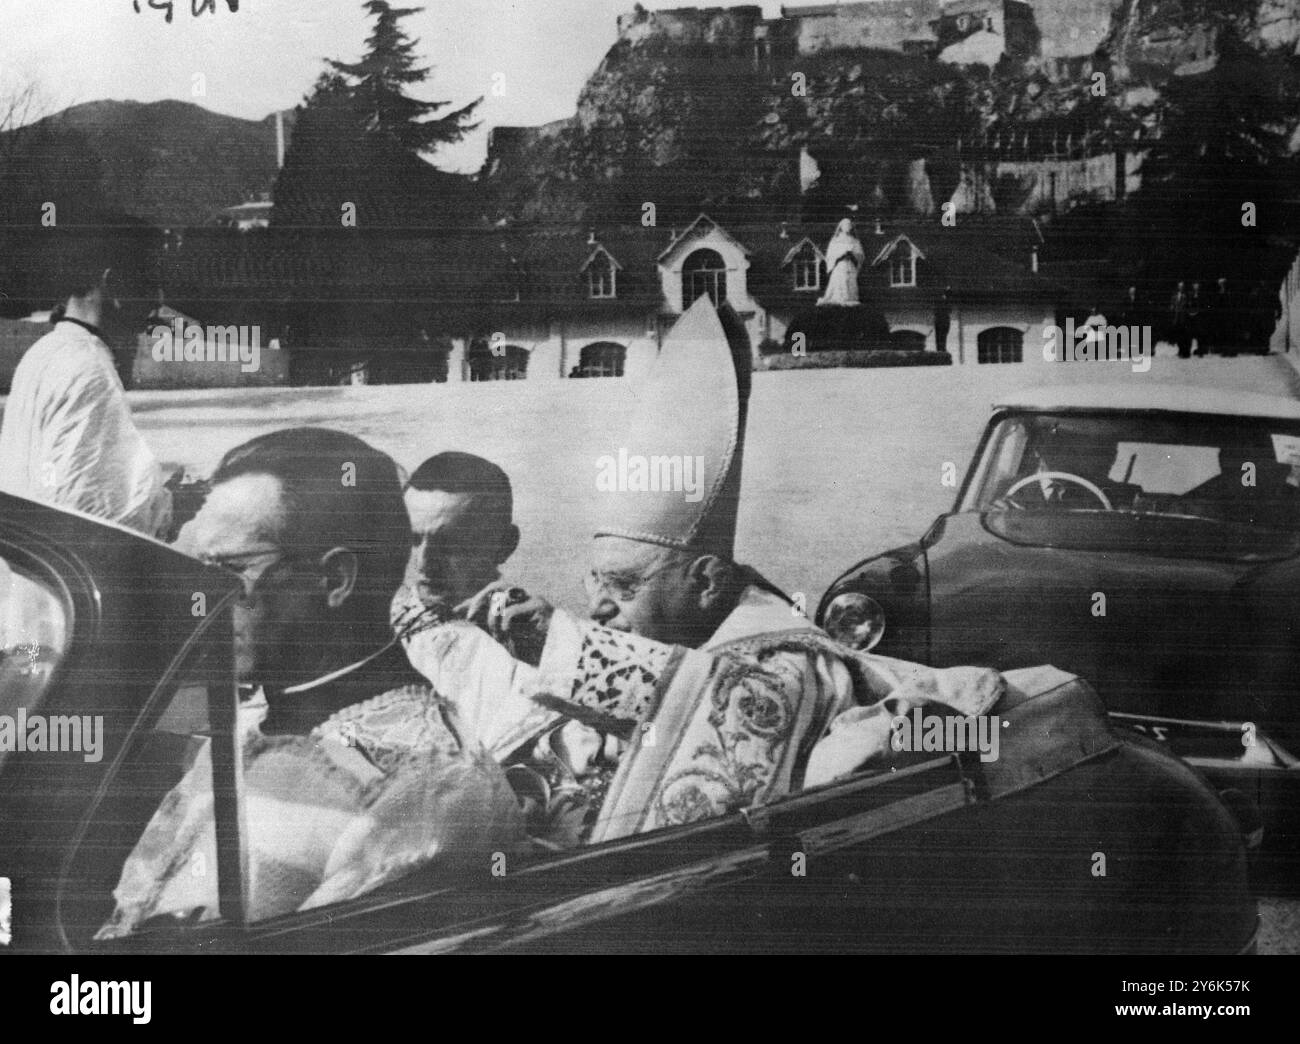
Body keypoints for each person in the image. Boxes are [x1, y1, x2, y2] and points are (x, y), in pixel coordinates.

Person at [393, 300, 1003, 847]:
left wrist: (561, 642)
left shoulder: (787, 659)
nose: (599, 611)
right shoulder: (657, 641)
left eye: (625, 587)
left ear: (709, 582)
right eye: (593, 584)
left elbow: (735, 703)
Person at [96, 428, 522, 937]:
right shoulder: (256, 714)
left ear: (336, 579)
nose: (200, 603)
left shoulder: (431, 794)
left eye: (229, 572)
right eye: (196, 572)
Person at [0, 225, 172, 537]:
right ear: (114, 283)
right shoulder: (89, 369)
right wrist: (171, 512)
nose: (158, 300)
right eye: (151, 282)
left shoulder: (43, 353)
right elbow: (100, 523)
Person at [399, 452, 520, 609]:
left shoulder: (547, 629)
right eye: (413, 540)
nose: (423, 563)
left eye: (448, 543)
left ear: (504, 546)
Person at [817, 218, 865, 307]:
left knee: (850, 283)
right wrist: (841, 254)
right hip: (840, 265)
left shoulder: (854, 240)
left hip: (850, 264)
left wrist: (853, 254)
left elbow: (860, 255)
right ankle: (839, 301)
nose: (848, 227)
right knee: (840, 282)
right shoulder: (836, 240)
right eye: (846, 225)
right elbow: (830, 255)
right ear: (841, 227)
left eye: (849, 225)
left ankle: (850, 300)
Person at [1169, 281, 1192, 359]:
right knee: (1178, 335)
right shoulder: (1175, 296)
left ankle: (1185, 351)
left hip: (1184, 319)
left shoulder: (1187, 296)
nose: (1181, 287)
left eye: (1182, 286)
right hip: (1176, 318)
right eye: (1180, 286)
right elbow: (1172, 306)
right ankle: (1180, 350)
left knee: (1184, 336)